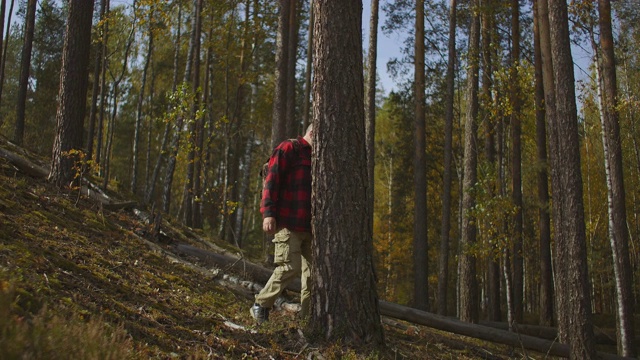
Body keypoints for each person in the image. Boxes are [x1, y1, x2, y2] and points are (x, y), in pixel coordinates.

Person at [250, 124, 313, 324]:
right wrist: (268, 214)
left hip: (310, 229)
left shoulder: (317, 157)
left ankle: (308, 319)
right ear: (313, 133)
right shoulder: (289, 148)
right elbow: (271, 181)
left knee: (313, 276)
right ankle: (261, 304)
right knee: (289, 267)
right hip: (287, 223)